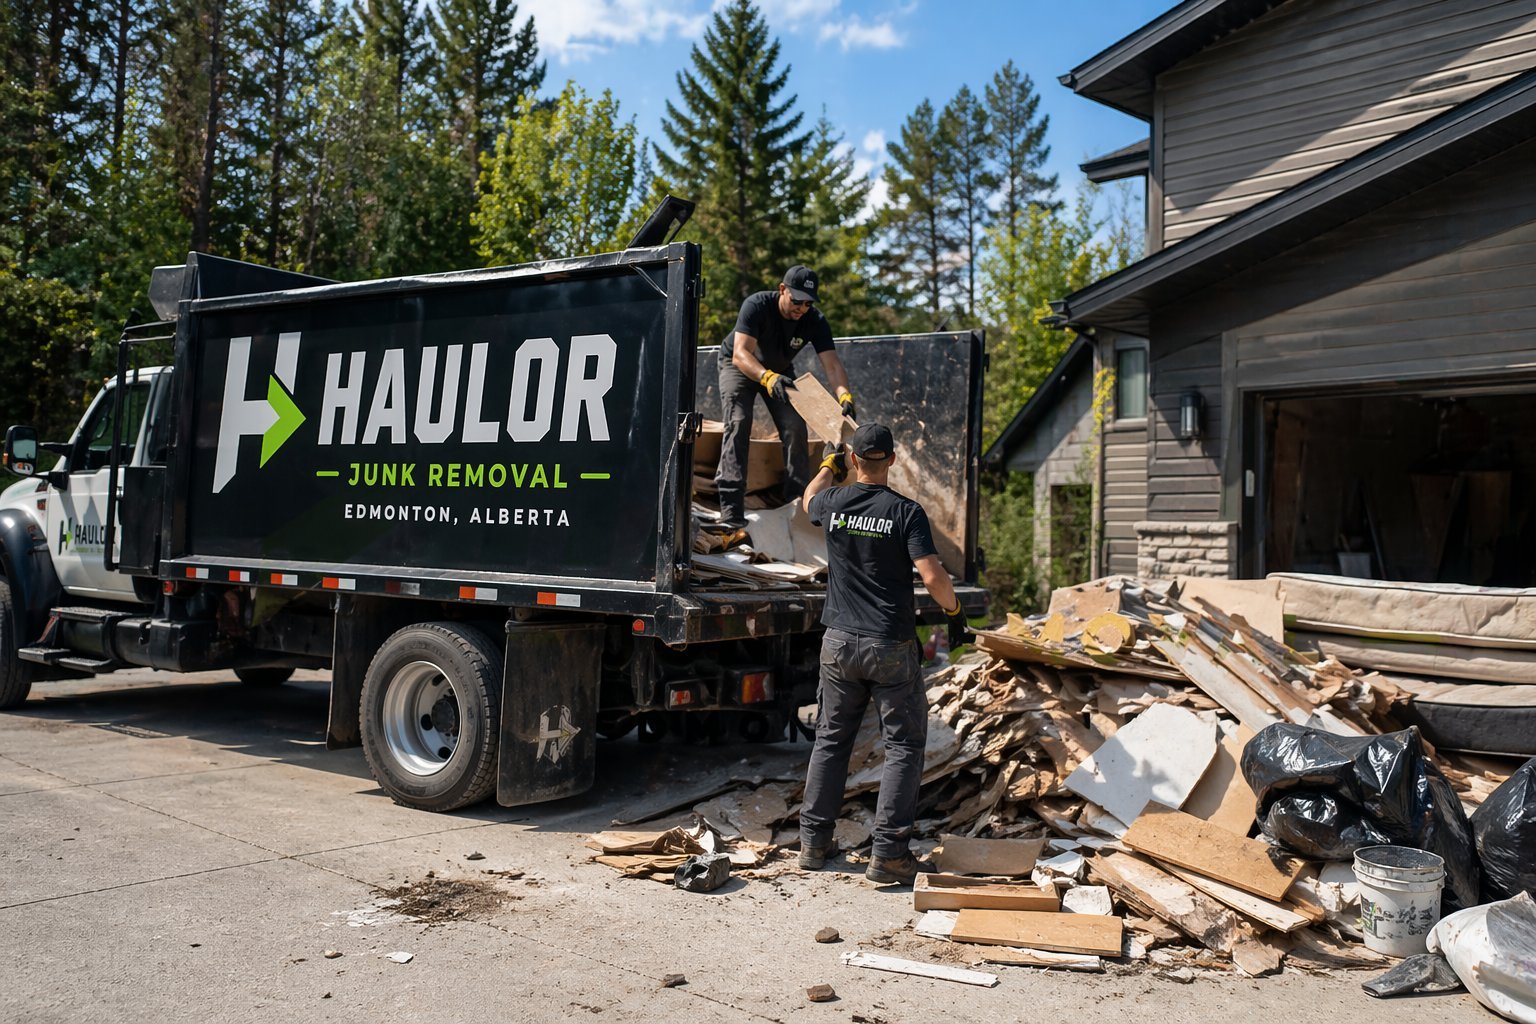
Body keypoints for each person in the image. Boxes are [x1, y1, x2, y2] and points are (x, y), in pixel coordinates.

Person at [797, 422, 970, 885]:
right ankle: (888, 856)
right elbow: (932, 577)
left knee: (831, 740)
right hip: (888, 644)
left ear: (855, 459)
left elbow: (808, 498)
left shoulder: (833, 502)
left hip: (838, 642)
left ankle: (813, 844)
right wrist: (953, 612)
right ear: (892, 460)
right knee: (903, 746)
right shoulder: (905, 512)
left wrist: (827, 466)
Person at [714, 265, 856, 528]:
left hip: (780, 372)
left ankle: (796, 500)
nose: (801, 308)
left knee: (794, 427)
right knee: (738, 421)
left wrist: (844, 395)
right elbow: (740, 353)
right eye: (796, 300)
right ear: (782, 289)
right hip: (740, 366)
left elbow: (832, 365)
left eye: (807, 303)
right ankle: (731, 507)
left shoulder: (814, 320)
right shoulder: (756, 305)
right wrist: (766, 377)